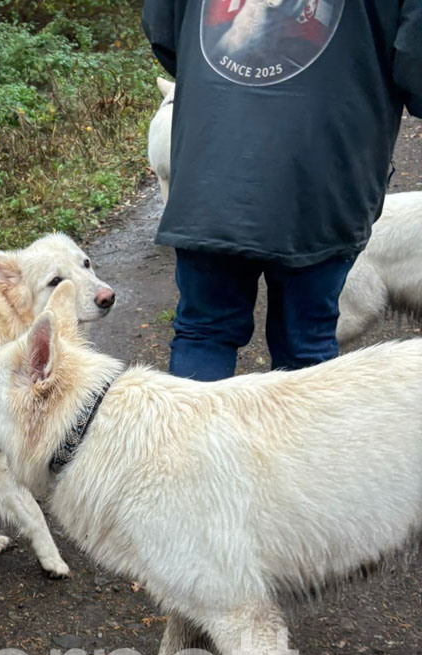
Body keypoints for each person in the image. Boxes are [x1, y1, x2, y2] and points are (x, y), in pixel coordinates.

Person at [141, 0, 422, 380]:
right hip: (325, 177)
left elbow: (164, 31)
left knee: (205, 333)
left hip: (212, 172)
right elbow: (414, 65)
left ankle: (192, 421)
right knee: (305, 345)